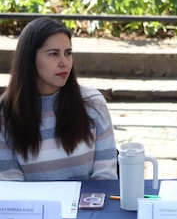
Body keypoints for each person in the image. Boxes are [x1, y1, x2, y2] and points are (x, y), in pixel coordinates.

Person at [0, 18, 117, 181]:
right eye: (54, 54)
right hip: (32, 199)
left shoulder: (93, 103)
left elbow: (105, 177)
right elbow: (11, 185)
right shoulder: (5, 112)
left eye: (68, 53)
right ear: (29, 58)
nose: (64, 63)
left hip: (89, 198)